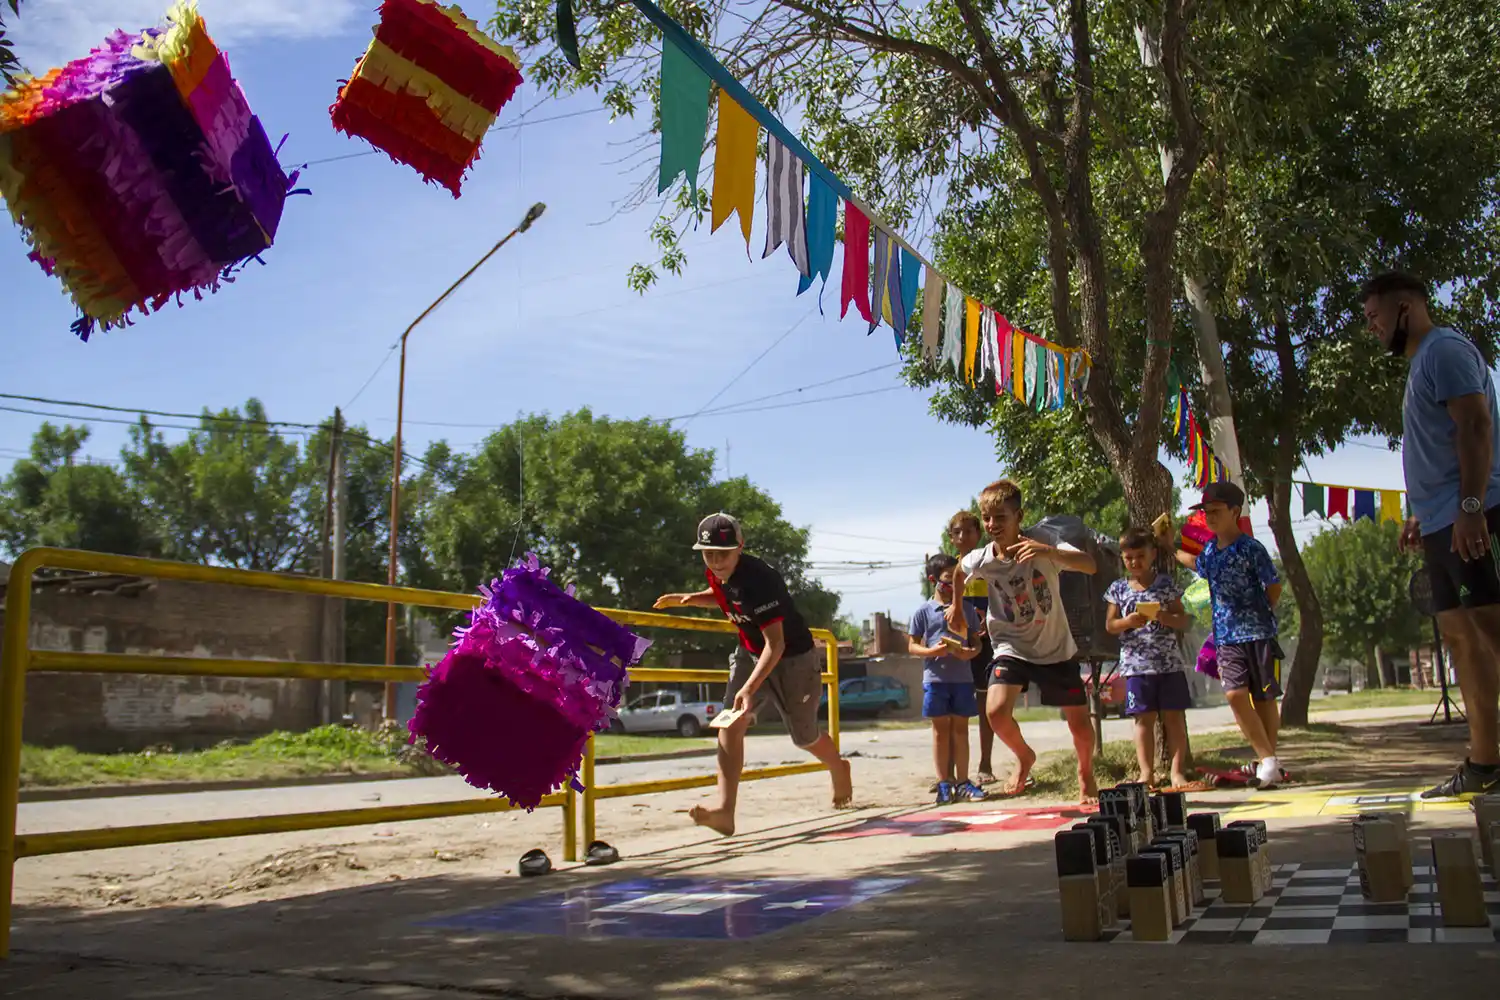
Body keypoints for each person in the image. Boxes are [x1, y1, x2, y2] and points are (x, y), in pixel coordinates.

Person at [1363, 271, 1500, 798]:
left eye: (1375, 316)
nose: (1371, 328)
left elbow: (1476, 427)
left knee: (1493, 632)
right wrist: (1422, 512)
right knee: (1464, 642)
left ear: (1407, 307)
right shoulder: (1421, 363)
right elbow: (1440, 446)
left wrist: (1470, 508)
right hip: (1442, 522)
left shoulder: (1443, 349)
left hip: (1476, 516)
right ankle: (1486, 764)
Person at [653, 513, 853, 835]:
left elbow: (776, 644)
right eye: (708, 554)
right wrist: (691, 599)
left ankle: (838, 767)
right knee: (730, 724)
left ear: (740, 548)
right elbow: (724, 595)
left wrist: (749, 688)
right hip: (750, 652)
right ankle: (724, 812)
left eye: (724, 554)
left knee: (804, 737)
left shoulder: (761, 581)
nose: (716, 562)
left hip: (793, 658)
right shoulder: (717, 572)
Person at [947, 480, 1100, 802]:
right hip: (1010, 645)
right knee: (996, 711)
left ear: (1019, 516)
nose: (992, 525)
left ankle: (1086, 772)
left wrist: (1050, 552)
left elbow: (1089, 565)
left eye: (1000, 518)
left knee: (1080, 724)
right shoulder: (983, 558)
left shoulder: (1043, 540)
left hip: (1055, 647)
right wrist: (957, 607)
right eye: (987, 518)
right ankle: (1025, 756)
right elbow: (960, 571)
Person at [1175, 481, 1284, 789]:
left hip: (1259, 634)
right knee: (1235, 694)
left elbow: (1273, 585)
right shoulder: (1210, 549)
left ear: (1235, 511)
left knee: (1263, 699)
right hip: (1226, 638)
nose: (1209, 517)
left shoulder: (1252, 548)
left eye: (1216, 511)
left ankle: (1268, 763)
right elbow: (1198, 565)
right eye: (1206, 512)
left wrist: (1262, 613)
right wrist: (1171, 549)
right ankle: (1268, 760)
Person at [1106, 528, 1193, 789]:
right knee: (1143, 719)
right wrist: (1128, 621)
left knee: (1174, 718)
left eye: (1140, 556)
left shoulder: (1166, 584)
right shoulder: (1118, 588)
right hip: (1135, 666)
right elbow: (1110, 625)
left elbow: (1185, 621)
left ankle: (1177, 773)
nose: (1135, 562)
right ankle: (1147, 773)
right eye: (1129, 557)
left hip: (1168, 664)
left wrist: (1164, 617)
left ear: (1153, 554)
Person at [909, 554, 988, 804]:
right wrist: (933, 652)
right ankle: (944, 783)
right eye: (947, 580)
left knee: (961, 731)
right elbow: (912, 646)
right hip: (935, 680)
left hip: (963, 680)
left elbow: (977, 643)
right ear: (933, 580)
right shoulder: (923, 611)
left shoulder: (966, 609)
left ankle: (964, 782)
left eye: (957, 580)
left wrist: (970, 653)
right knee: (940, 732)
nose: (954, 586)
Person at [948, 510, 998, 785]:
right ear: (951, 538)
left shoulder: (989, 564)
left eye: (969, 531)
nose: (964, 536)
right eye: (958, 532)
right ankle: (953, 771)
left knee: (984, 704)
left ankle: (985, 763)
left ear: (979, 534)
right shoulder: (949, 570)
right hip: (958, 644)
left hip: (987, 641)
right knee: (955, 707)